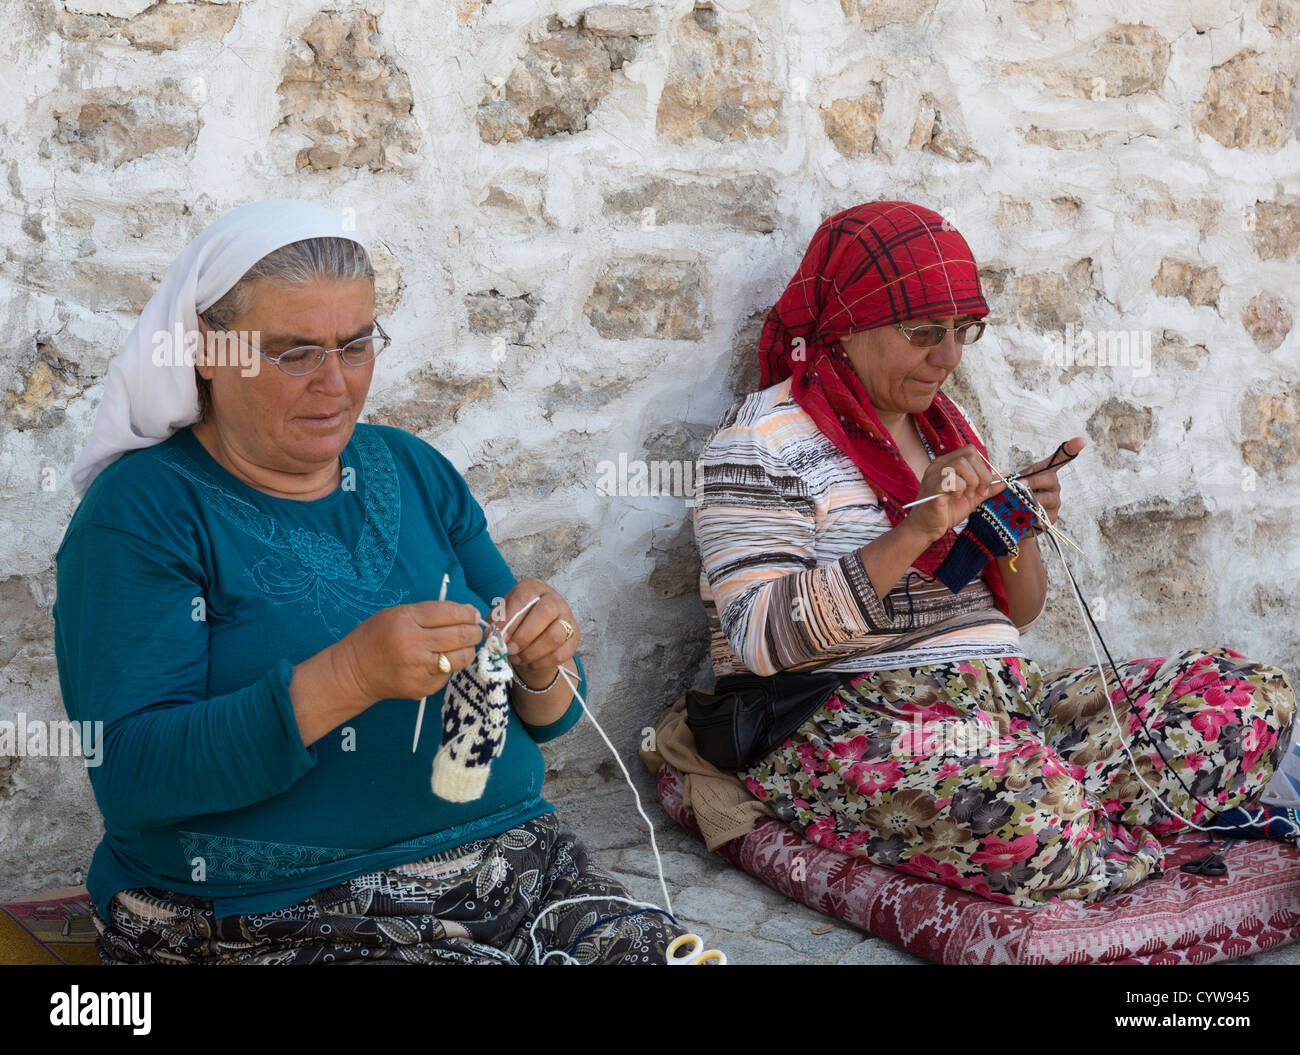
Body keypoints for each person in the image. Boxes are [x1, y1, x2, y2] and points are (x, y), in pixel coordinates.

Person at [54, 199, 682, 963]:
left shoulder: (410, 469)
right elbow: (134, 774)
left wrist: (544, 660)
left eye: (355, 345)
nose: (335, 383)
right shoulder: (144, 513)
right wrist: (349, 675)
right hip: (271, 914)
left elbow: (547, 715)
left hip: (513, 870)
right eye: (294, 352)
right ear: (209, 351)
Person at [691, 201, 1297, 907]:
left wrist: (1017, 527)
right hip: (850, 717)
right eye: (923, 334)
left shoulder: (947, 425)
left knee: (1248, 698)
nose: (947, 358)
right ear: (848, 326)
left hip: (1003, 704)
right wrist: (915, 530)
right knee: (1021, 812)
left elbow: (1024, 610)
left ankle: (1061, 814)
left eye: (961, 332)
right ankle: (1060, 815)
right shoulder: (758, 442)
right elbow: (763, 639)